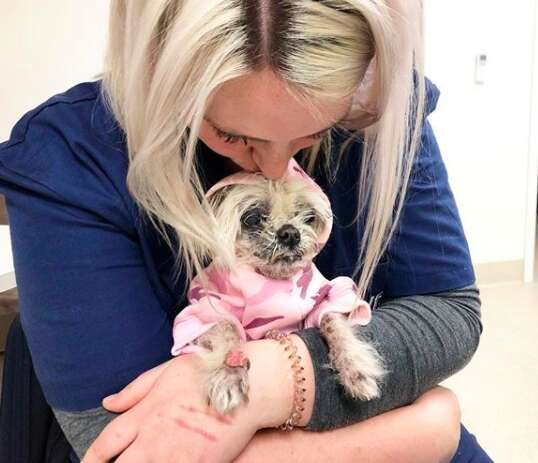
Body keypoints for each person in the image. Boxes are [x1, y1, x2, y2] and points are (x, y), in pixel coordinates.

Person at [0, 0, 493, 462]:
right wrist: (420, 435)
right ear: (155, 68)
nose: (278, 168)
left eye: (316, 130)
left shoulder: (378, 108)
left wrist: (274, 382)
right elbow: (127, 445)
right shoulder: (68, 158)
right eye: (232, 135)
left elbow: (449, 311)